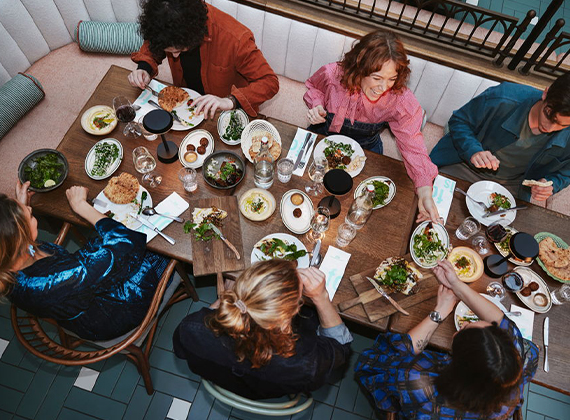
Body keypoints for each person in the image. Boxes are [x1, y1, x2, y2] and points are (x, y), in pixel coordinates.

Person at [355, 260, 539, 419]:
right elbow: (501, 321)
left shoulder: (419, 380)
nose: (467, 325)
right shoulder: (519, 364)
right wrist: (457, 285)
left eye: (465, 329)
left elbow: (370, 365)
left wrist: (440, 312)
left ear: (454, 358)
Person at [0, 181, 170, 341]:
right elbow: (126, 243)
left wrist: (17, 209)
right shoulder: (49, 284)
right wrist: (80, 206)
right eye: (27, 216)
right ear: (17, 240)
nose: (30, 210)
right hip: (115, 310)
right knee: (160, 246)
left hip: (87, 287)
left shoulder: (9, 261)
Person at [304, 30, 440, 223]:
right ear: (359, 68)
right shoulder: (332, 73)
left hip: (367, 149)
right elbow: (314, 87)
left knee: (358, 208)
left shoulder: (399, 98)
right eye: (377, 78)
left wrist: (425, 191)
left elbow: (412, 143)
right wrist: (316, 105)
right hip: (322, 136)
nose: (383, 87)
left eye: (391, 79)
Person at [173, 260, 352, 399]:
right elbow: (341, 347)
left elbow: (180, 350)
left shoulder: (192, 329)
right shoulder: (305, 365)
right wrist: (321, 297)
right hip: (265, 390)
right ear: (286, 319)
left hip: (224, 379)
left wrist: (224, 298)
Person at [430, 72, 570, 202]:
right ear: (545, 93)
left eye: (561, 125)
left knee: (508, 229)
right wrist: (473, 150)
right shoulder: (503, 97)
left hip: (513, 187)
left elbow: (566, 172)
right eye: (548, 115)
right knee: (429, 207)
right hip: (463, 167)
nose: (550, 128)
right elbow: (459, 120)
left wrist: (552, 184)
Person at [129, 0, 279, 118]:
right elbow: (153, 45)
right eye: (169, 51)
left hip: (224, 110)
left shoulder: (235, 39)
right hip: (185, 103)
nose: (174, 56)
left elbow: (269, 82)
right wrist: (144, 68)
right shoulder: (166, 25)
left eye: (179, 50)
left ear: (193, 35)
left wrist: (230, 101)